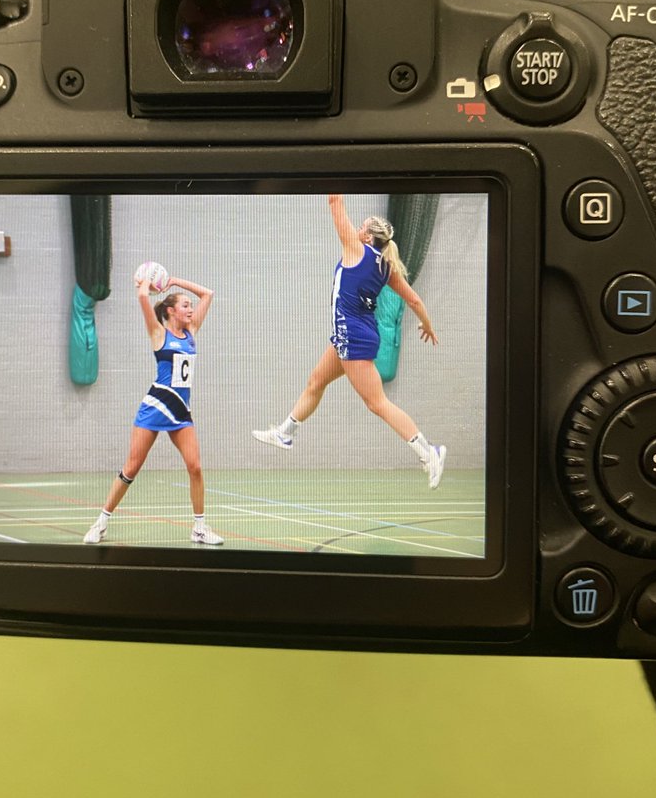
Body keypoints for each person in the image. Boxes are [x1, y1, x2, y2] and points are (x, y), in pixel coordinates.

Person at [252, 194, 446, 488]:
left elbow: (334, 203)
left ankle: (428, 451)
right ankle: (285, 432)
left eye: (363, 226)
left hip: (353, 337)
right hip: (353, 333)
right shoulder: (385, 265)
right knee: (316, 381)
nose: (357, 227)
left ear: (367, 236)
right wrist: (427, 324)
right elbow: (414, 299)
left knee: (377, 403)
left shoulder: (356, 249)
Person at [83, 272, 223, 545]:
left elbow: (208, 293)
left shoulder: (191, 333)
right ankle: (100, 523)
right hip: (154, 407)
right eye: (185, 305)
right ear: (170, 311)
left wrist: (174, 281)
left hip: (181, 412)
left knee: (195, 467)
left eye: (190, 306)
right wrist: (146, 281)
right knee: (131, 468)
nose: (191, 309)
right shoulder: (159, 334)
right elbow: (142, 296)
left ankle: (199, 528)